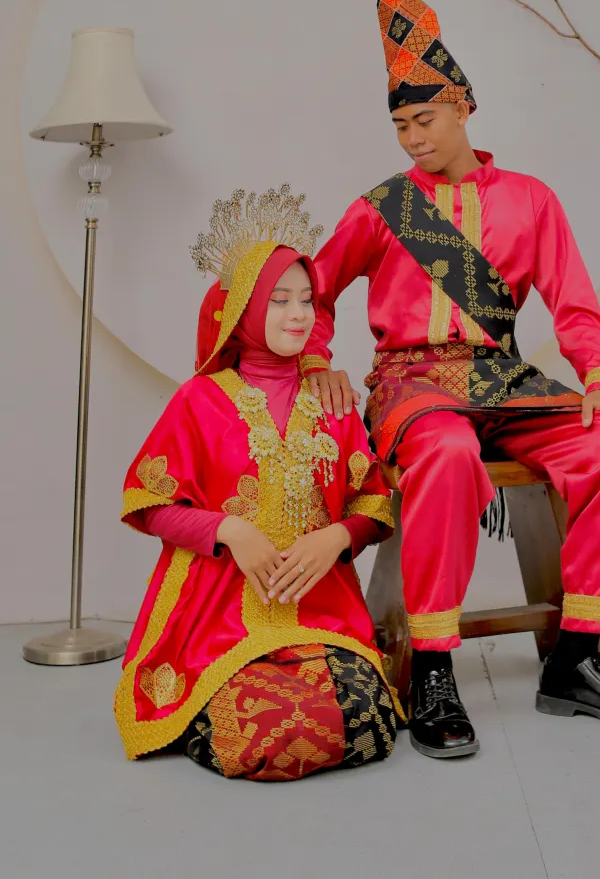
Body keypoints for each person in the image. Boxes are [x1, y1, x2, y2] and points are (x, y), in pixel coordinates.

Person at [300, 0, 600, 760]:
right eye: (400, 125)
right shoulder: (381, 208)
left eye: (425, 120)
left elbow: (575, 306)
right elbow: (314, 287)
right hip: (411, 384)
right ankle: (433, 670)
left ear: (465, 107)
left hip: (504, 381)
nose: (412, 139)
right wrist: (314, 358)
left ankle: (577, 661)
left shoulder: (531, 202)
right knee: (447, 452)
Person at [114, 187, 401, 780]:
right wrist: (229, 530)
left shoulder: (331, 400)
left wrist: (338, 537)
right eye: (279, 300)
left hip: (322, 610)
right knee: (262, 734)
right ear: (243, 308)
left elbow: (373, 502)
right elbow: (148, 502)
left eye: (307, 300)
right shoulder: (200, 401)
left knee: (361, 718)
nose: (299, 315)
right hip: (216, 614)